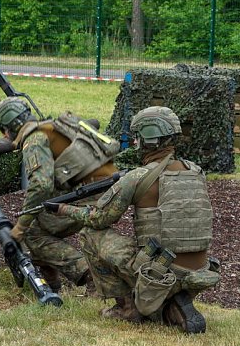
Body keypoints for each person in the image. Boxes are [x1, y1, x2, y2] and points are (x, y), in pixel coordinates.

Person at [46, 106, 221, 333]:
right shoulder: (195, 171)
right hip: (199, 271)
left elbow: (98, 219)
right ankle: (171, 306)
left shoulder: (137, 178)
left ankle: (127, 307)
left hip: (158, 271)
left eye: (137, 137)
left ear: (146, 139)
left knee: (90, 234)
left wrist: (63, 209)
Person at [0, 97, 121, 295]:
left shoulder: (34, 139)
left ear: (10, 127)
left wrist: (21, 225)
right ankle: (48, 277)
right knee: (40, 221)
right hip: (111, 190)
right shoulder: (54, 127)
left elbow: (41, 184)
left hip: (93, 198)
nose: (5, 136)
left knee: (33, 232)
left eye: (3, 130)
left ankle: (90, 275)